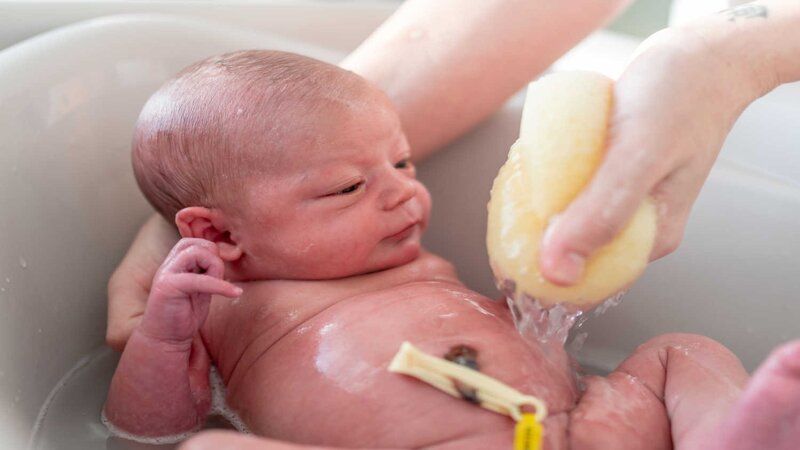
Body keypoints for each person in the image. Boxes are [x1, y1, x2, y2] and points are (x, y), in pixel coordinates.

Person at [104, 49, 800, 450]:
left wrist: (539, 294)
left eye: (402, 165)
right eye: (348, 187)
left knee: (681, 352)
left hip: (584, 429)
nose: (404, 195)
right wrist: (164, 337)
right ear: (221, 234)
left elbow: (520, 329)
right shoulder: (221, 305)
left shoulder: (412, 261)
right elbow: (144, 429)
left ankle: (734, 439)